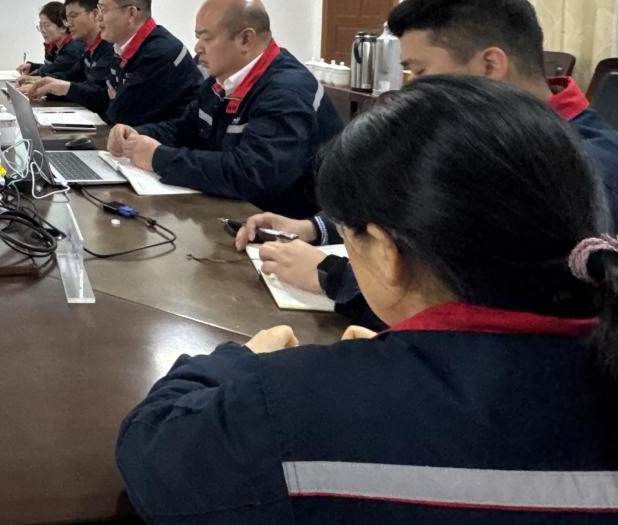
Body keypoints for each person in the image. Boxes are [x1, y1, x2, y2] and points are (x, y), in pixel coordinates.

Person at [118, 76, 618, 523]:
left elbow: (154, 450)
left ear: (383, 253)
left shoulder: (301, 407)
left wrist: (243, 360)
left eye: (348, 237)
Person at [240, 0, 618, 325]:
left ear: (490, 66)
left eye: (421, 71)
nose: (413, 90)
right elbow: (411, 210)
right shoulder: (479, 137)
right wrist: (316, 228)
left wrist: (331, 276)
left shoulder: (582, 172)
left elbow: (490, 306)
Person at [107, 0, 341, 214]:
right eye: (197, 38)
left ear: (245, 39)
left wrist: (159, 158)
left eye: (206, 38)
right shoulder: (222, 80)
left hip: (284, 224)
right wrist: (137, 135)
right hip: (234, 210)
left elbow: (252, 175)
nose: (197, 48)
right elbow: (185, 128)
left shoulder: (287, 91)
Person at [31, 0, 199, 126]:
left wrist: (115, 98)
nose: (99, 18)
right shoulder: (120, 47)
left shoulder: (159, 53)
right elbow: (107, 97)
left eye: (103, 10)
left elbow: (120, 114)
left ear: (131, 13)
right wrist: (114, 97)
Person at [17, 0, 82, 79]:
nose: (43, 30)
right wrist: (32, 67)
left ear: (63, 27)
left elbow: (54, 71)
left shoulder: (73, 48)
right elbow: (52, 67)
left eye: (47, 25)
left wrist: (34, 75)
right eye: (41, 26)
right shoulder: (52, 46)